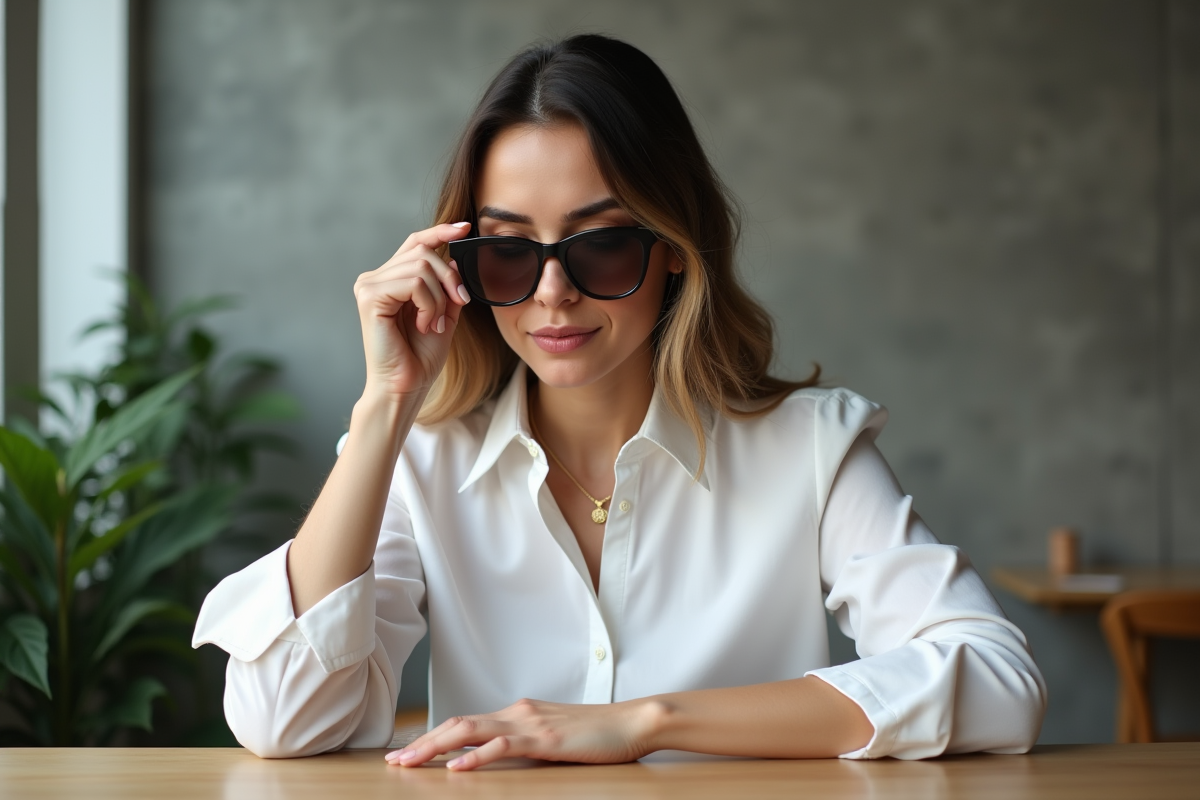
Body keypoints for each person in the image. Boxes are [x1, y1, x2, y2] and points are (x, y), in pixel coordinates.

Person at [192, 33, 1046, 769]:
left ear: (674, 248)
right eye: (509, 253)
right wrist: (385, 404)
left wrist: (644, 723)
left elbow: (996, 679)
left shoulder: (809, 449)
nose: (553, 294)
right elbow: (284, 720)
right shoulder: (420, 458)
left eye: (600, 247)